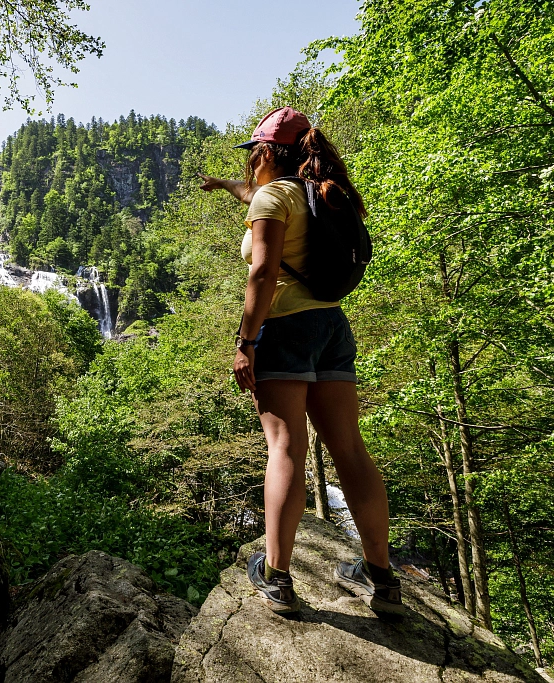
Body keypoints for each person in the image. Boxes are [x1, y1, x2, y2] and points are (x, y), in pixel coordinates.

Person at [199, 106, 403, 615]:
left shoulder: (274, 196)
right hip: (333, 327)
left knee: (286, 447)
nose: (249, 166)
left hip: (284, 328)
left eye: (253, 155)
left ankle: (277, 577)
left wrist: (245, 341)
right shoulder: (326, 195)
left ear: (267, 152)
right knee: (350, 450)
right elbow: (258, 197)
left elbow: (264, 273)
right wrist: (226, 185)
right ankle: (382, 578)